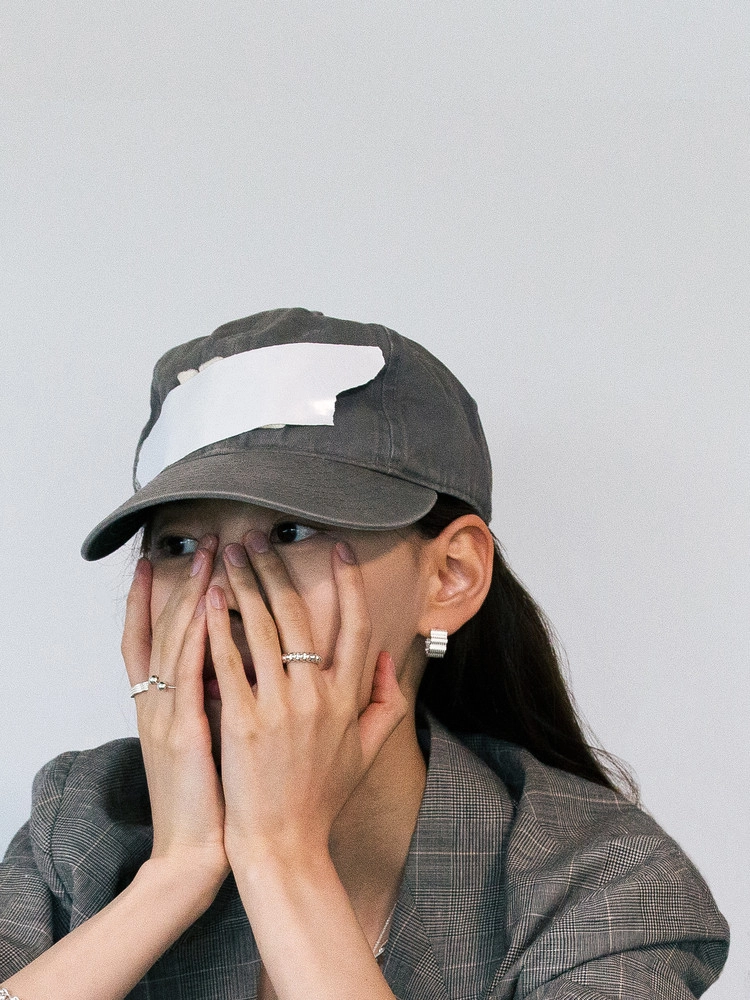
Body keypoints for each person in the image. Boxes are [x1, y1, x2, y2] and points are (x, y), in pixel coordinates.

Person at [0, 308, 728, 1000]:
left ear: (450, 577)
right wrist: (174, 874)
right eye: (179, 544)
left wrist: (283, 858)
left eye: (291, 533)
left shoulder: (602, 883)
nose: (217, 598)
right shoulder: (83, 822)